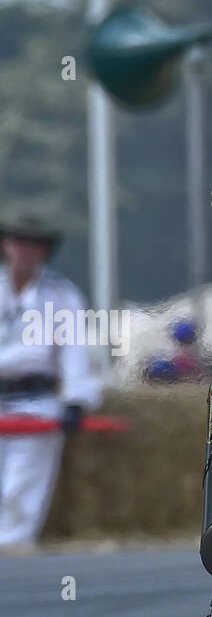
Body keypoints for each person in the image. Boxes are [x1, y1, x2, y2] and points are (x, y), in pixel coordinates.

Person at [0, 214, 100, 546]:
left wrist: (76, 399)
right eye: (19, 242)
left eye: (34, 244)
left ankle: (11, 554)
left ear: (44, 251)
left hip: (35, 403)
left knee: (21, 489)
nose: (25, 251)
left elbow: (75, 349)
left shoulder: (61, 294)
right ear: (5, 245)